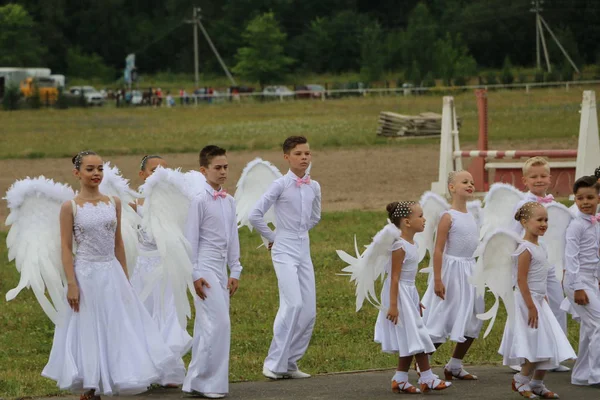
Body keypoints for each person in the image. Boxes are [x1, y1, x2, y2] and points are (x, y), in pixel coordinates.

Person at [42, 151, 182, 399]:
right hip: (85, 274)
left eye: (99, 169)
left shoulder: (113, 203)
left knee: (117, 324)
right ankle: (90, 382)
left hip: (112, 271)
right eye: (90, 169)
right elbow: (65, 246)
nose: (96, 174)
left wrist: (125, 277)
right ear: (77, 173)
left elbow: (117, 242)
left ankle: (116, 374)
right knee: (88, 325)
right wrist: (71, 283)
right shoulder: (70, 207)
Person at [249, 136, 321, 380]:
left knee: (309, 310)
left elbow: (316, 216)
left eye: (307, 153)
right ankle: (273, 363)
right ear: (287, 157)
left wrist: (300, 233)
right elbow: (255, 214)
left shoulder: (314, 186)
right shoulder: (280, 185)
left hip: (304, 248)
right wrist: (273, 237)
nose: (304, 157)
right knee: (293, 304)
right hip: (283, 248)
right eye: (299, 153)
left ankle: (290, 362)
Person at [183, 146, 243, 399]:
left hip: (221, 269)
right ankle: (209, 383)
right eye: (217, 167)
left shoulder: (229, 201)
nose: (222, 171)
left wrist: (236, 269)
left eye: (225, 167)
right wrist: (194, 274)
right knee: (219, 323)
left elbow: (232, 237)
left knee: (208, 326)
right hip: (204, 267)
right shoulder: (198, 200)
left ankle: (197, 380)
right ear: (203, 170)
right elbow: (190, 240)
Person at [500, 202, 575, 398]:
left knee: (549, 342)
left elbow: (541, 277)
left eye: (546, 220)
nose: (544, 224)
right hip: (527, 302)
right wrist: (531, 306)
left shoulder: (540, 246)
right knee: (536, 343)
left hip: (540, 301)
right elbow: (521, 280)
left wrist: (544, 299)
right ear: (525, 222)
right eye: (539, 220)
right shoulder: (524, 249)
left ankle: (537, 382)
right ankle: (520, 380)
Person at [375, 201, 452, 394]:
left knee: (409, 336)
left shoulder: (412, 243)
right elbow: (394, 278)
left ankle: (400, 378)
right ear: (407, 222)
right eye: (420, 216)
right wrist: (393, 305)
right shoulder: (399, 246)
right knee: (417, 334)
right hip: (398, 294)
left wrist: (415, 300)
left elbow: (408, 279)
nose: (424, 219)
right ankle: (426, 377)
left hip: (407, 293)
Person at [129, 155, 192, 388]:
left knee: (169, 314)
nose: (161, 174)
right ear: (142, 174)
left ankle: (170, 370)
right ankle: (144, 368)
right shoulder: (133, 203)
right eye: (154, 170)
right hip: (142, 269)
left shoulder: (178, 201)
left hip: (168, 267)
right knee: (144, 316)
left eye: (165, 169)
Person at [421, 170, 483, 380]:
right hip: (452, 272)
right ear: (452, 187)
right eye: (464, 181)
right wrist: (438, 279)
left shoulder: (472, 215)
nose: (470, 184)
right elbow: (438, 249)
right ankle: (424, 363)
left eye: (472, 182)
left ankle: (454, 364)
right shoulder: (448, 217)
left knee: (474, 315)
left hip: (470, 271)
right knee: (445, 316)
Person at [510, 157, 569, 372]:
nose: (539, 180)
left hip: (548, 262)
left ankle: (553, 355)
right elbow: (514, 234)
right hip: (530, 261)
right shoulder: (522, 204)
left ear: (550, 178)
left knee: (556, 306)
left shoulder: (553, 204)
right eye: (534, 177)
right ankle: (523, 357)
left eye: (543, 176)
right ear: (525, 180)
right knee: (528, 310)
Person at [563, 176, 600, 386]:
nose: (585, 202)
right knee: (598, 325)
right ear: (575, 200)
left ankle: (581, 375)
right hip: (577, 281)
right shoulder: (576, 225)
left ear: (598, 198)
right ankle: (597, 374)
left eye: (589, 197)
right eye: (580, 198)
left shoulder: (596, 224)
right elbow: (571, 257)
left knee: (589, 328)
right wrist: (577, 287)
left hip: (592, 280)